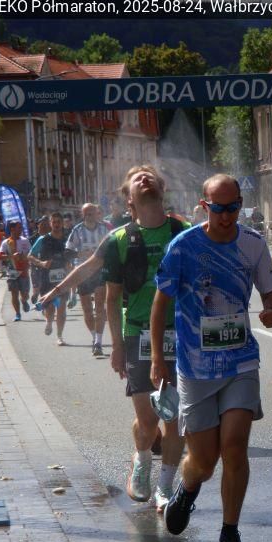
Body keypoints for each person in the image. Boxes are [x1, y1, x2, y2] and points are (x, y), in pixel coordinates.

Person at [152, 173, 272, 542]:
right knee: (204, 462)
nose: (226, 216)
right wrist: (157, 358)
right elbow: (161, 304)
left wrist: (271, 311)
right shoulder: (184, 246)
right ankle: (188, 488)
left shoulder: (253, 244)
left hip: (240, 360)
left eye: (233, 207)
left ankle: (230, 532)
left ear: (241, 204)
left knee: (235, 445)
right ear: (204, 206)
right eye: (219, 208)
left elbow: (271, 295)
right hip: (195, 367)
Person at [88, 166, 189, 508]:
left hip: (180, 335)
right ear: (129, 199)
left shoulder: (183, 232)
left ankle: (165, 487)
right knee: (148, 420)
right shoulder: (120, 240)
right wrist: (116, 346)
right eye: (137, 178)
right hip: (137, 335)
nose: (145, 179)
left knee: (175, 418)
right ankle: (142, 459)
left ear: (162, 188)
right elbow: (112, 298)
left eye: (150, 176)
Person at [67, 203, 113, 356]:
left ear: (97, 213)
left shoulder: (104, 229)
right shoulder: (77, 230)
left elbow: (113, 247)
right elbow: (68, 251)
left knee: (99, 307)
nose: (90, 215)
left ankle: (98, 341)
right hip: (83, 272)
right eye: (87, 213)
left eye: (92, 212)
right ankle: (94, 337)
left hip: (99, 271)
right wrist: (80, 254)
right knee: (87, 309)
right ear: (83, 214)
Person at [30, 212, 73, 345]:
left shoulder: (67, 239)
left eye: (59, 222)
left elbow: (73, 254)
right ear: (50, 223)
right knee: (49, 307)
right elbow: (30, 256)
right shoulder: (43, 239)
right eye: (54, 222)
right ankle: (49, 321)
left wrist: (70, 264)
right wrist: (41, 263)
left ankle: (60, 336)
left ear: (62, 223)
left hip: (63, 277)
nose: (56, 225)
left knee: (61, 307)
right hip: (47, 277)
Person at [0, 220, 31, 321]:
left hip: (24, 271)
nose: (21, 230)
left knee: (25, 294)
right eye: (18, 227)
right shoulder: (6, 242)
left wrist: (24, 257)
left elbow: (31, 253)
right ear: (12, 229)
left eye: (21, 227)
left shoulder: (25, 241)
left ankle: (24, 301)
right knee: (14, 293)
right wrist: (12, 256)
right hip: (12, 271)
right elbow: (0, 256)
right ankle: (17, 313)